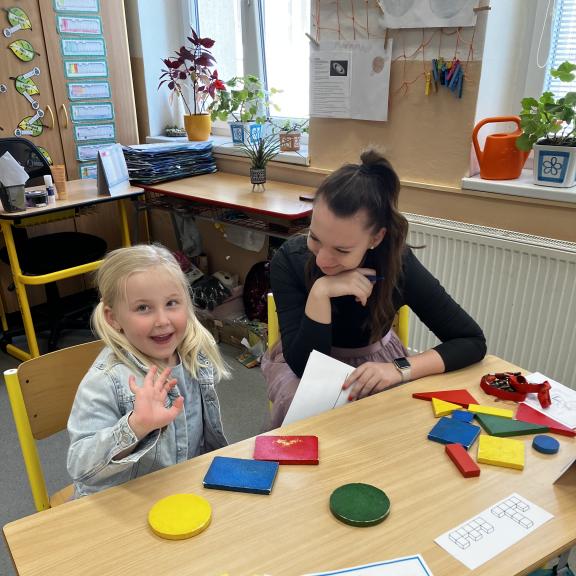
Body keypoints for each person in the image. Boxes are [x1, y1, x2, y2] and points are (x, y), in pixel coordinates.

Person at [262, 150, 486, 428]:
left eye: (342, 250)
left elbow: (471, 341)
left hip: (378, 363)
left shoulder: (397, 264)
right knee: (309, 426)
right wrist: (320, 293)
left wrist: (398, 368)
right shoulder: (290, 259)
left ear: (376, 238)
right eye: (315, 238)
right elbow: (305, 369)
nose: (322, 260)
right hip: (304, 364)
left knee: (390, 433)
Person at [67, 244, 229, 498]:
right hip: (124, 502)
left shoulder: (192, 355)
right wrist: (135, 427)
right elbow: (81, 467)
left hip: (180, 490)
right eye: (143, 308)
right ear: (113, 318)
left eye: (172, 303)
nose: (162, 321)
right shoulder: (107, 379)